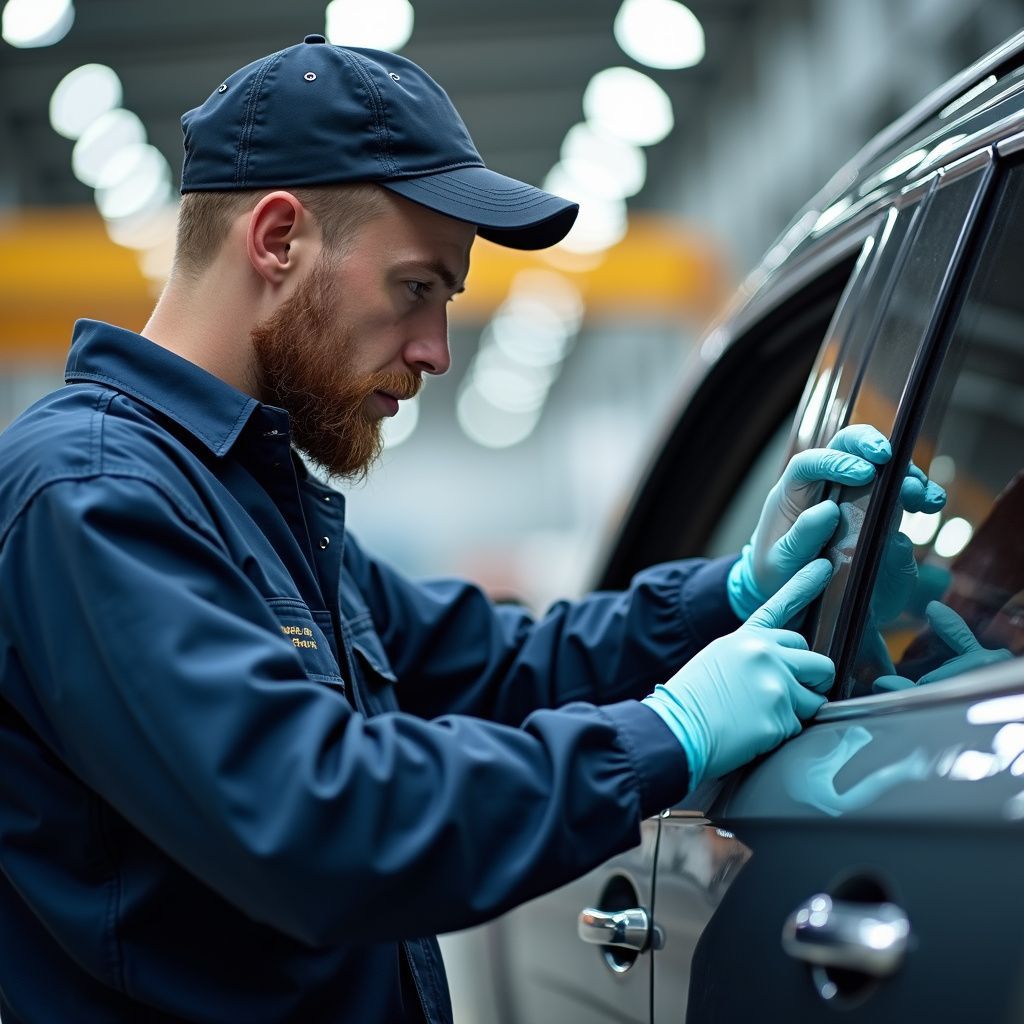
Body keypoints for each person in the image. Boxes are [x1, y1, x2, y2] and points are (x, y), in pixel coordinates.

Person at [0, 36, 903, 1024]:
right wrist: (662, 736)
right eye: (415, 288)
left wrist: (727, 591)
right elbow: (322, 822)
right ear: (275, 240)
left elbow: (496, 662)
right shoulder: (93, 497)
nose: (434, 351)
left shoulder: (254, 500)